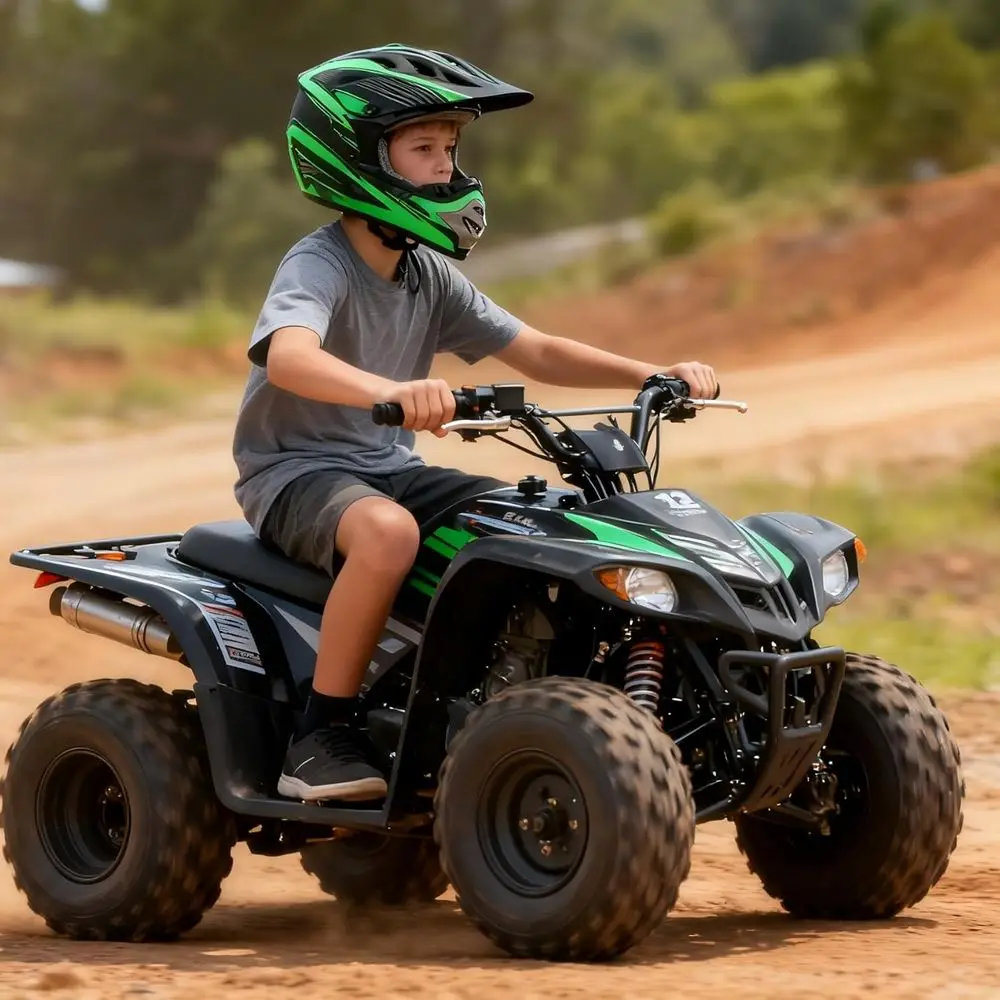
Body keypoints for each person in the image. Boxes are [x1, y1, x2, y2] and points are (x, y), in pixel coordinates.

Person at [232, 44, 718, 803]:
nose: (444, 167)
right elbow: (289, 357)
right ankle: (319, 735)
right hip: (297, 473)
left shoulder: (427, 273)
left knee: (535, 524)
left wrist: (649, 374)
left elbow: (536, 348)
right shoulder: (319, 264)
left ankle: (501, 700)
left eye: (450, 148)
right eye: (423, 148)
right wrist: (391, 392)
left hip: (389, 470)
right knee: (389, 534)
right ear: (357, 160)